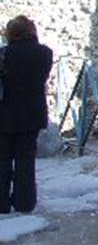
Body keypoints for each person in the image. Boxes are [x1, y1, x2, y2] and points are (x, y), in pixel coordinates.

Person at [0, 16, 53, 213]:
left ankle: (1, 203)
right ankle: (25, 202)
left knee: (2, 160)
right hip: (32, 113)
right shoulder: (45, 53)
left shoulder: (4, 54)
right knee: (26, 160)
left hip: (5, 113)